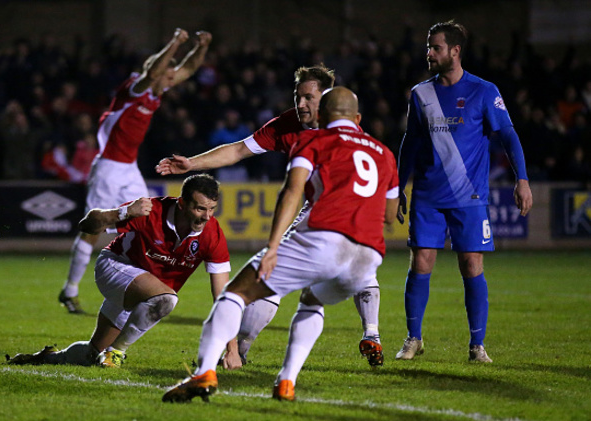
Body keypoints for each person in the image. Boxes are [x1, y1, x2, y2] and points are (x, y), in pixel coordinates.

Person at [162, 87, 399, 403]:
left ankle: (204, 372)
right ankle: (286, 382)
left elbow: (291, 191)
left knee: (236, 292)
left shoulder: (312, 140)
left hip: (324, 238)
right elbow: (390, 215)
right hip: (367, 257)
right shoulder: (383, 153)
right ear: (357, 118)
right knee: (312, 300)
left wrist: (273, 246)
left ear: (324, 116)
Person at [395, 21, 533, 363]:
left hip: (469, 196)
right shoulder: (420, 93)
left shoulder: (484, 91)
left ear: (455, 51)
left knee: (472, 265)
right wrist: (397, 187)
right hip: (427, 194)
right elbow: (409, 143)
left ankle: (477, 345)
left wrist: (523, 179)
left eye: (435, 47)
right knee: (421, 263)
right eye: (429, 46)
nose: (429, 53)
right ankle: (413, 338)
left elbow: (509, 136)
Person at [8, 174, 242, 369]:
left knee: (91, 354)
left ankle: (48, 358)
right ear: (181, 203)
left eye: (212, 209)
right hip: (116, 268)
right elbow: (87, 225)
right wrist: (124, 213)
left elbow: (223, 296)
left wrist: (232, 349)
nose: (207, 216)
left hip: (144, 292)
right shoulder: (152, 211)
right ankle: (117, 353)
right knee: (166, 300)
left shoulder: (213, 234)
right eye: (200, 208)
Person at [58, 28, 212, 314]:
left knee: (149, 221)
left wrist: (202, 46)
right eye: (166, 72)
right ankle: (69, 290)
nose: (170, 78)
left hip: (129, 168)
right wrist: (175, 42)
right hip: (107, 167)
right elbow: (153, 72)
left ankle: (140, 283)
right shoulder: (135, 88)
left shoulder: (157, 86)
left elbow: (189, 68)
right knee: (93, 230)